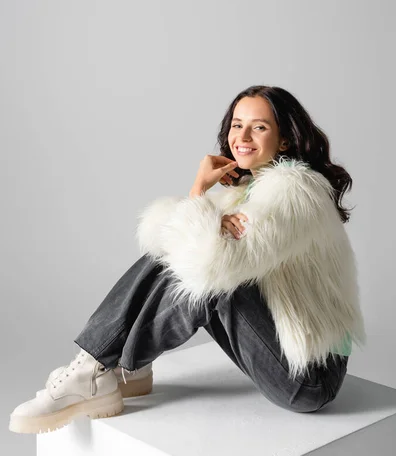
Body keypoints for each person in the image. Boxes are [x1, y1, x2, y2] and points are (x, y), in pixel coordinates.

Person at [9, 85, 367, 434]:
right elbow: (172, 242)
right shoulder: (247, 193)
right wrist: (200, 208)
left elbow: (214, 266)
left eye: (259, 127)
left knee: (211, 280)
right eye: (236, 125)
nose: (242, 136)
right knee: (177, 251)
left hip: (311, 376)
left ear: (285, 139)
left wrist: (198, 195)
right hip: (286, 354)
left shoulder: (296, 191)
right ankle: (112, 366)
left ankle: (96, 369)